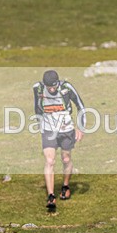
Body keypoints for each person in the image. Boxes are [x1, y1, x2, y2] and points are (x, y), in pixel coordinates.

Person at [33, 70, 86, 212]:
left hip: (66, 129)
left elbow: (80, 106)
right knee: (50, 161)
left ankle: (65, 186)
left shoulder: (66, 88)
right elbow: (37, 107)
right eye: (48, 87)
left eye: (53, 86)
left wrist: (80, 128)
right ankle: (51, 196)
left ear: (57, 83)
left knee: (66, 159)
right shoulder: (38, 88)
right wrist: (39, 125)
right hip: (48, 130)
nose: (51, 89)